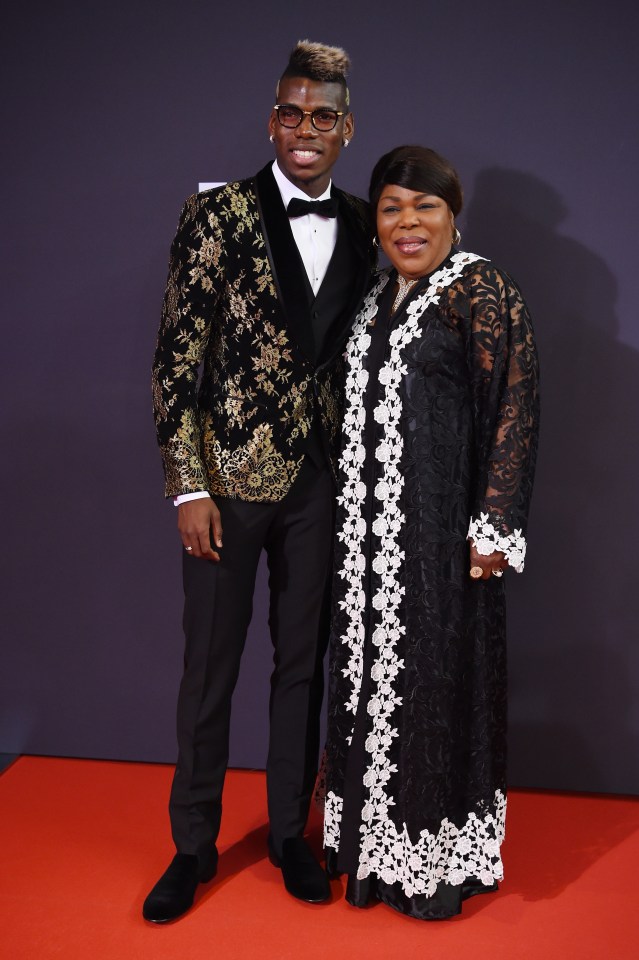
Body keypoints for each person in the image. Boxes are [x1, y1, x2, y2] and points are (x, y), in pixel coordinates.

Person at [145, 41, 375, 924]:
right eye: (289, 113)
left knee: (302, 667)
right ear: (271, 119)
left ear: (345, 128)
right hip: (226, 486)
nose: (304, 129)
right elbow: (174, 363)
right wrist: (186, 486)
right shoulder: (216, 217)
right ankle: (192, 845)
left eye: (322, 116)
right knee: (209, 668)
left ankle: (289, 834)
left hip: (319, 484)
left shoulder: (360, 222)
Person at [322, 145, 540, 920]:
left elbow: (513, 404)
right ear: (375, 220)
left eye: (424, 207)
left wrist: (493, 526)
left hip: (441, 542)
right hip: (365, 548)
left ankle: (430, 862)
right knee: (371, 689)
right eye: (390, 208)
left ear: (452, 213)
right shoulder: (378, 294)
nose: (406, 223)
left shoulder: (479, 289)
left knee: (436, 690)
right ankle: (371, 854)